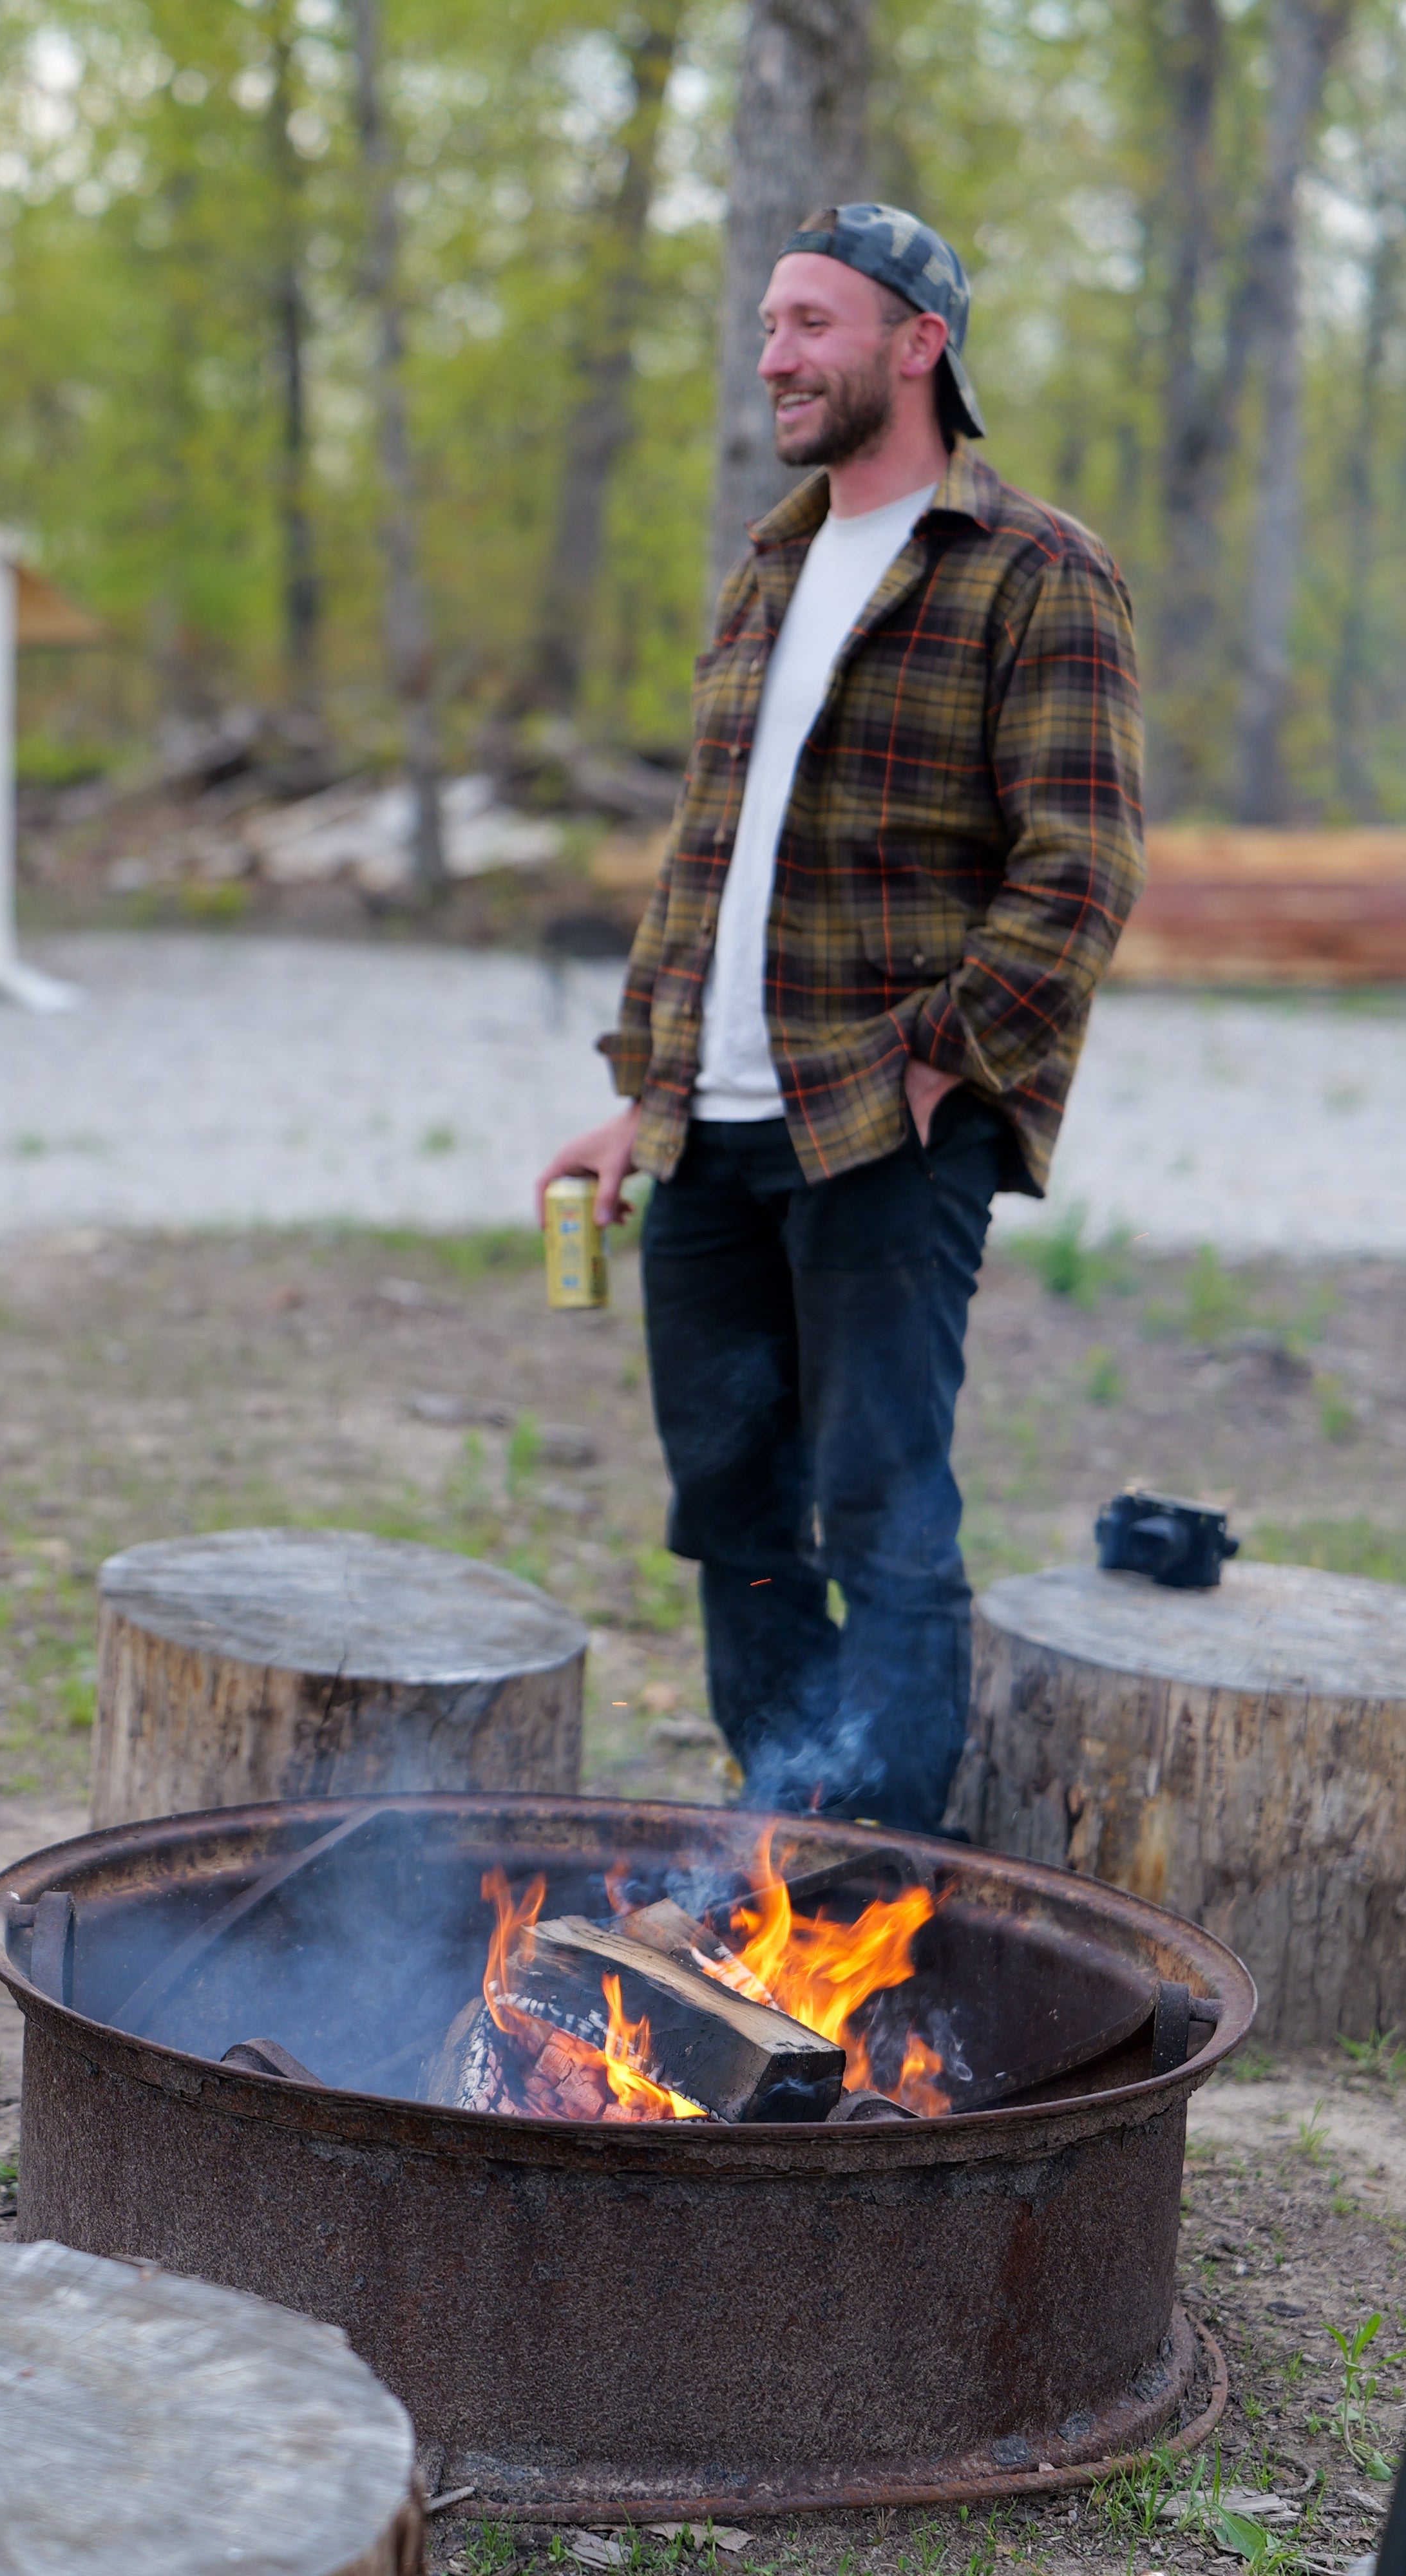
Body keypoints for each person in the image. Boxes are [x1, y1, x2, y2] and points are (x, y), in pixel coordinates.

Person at [537, 204, 1143, 1831]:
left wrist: (944, 1056)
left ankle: (881, 1884)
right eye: (766, 326)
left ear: (917, 344)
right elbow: (703, 863)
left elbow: (1080, 867)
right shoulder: (769, 561)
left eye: (809, 323)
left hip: (882, 1127)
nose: (772, 357)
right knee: (733, 1515)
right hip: (709, 1139)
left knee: (876, 1515)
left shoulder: (1032, 568)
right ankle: (778, 1853)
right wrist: (641, 1086)